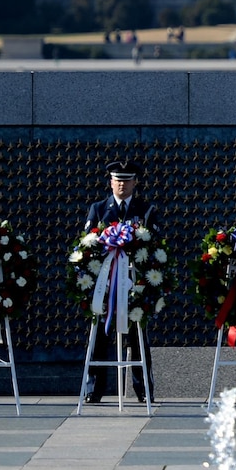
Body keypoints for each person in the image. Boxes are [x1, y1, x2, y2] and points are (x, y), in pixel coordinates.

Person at [82, 160, 157, 404]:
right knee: (100, 339)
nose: (121, 184)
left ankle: (143, 388)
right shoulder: (99, 208)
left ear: (135, 182)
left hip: (134, 287)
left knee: (137, 339)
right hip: (106, 288)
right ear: (110, 182)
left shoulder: (145, 210)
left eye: (126, 180)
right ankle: (94, 389)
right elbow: (88, 246)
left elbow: (153, 247)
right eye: (117, 180)